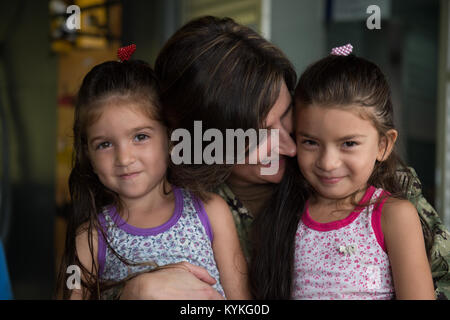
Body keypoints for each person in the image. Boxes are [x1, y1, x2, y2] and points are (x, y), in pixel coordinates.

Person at [115, 17, 450, 300]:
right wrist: (131, 293)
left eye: (287, 114)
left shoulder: (365, 177)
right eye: (258, 137)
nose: (290, 147)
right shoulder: (162, 207)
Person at [57, 46, 249, 300]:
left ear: (171, 139)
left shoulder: (211, 211)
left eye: (140, 136)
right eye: (104, 144)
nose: (124, 158)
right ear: (88, 155)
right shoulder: (90, 239)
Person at [250, 45, 436, 299]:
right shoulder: (284, 216)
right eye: (310, 142)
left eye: (348, 144)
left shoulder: (393, 216)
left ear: (383, 145)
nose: (328, 163)